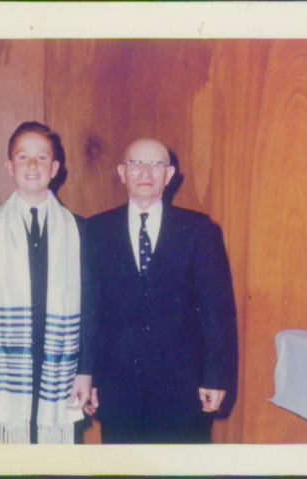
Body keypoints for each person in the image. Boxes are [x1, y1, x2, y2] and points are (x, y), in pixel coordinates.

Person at [86, 138, 237, 444]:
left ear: (169, 175)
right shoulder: (95, 230)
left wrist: (216, 376)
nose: (145, 172)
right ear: (122, 173)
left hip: (183, 386)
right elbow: (89, 312)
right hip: (118, 386)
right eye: (136, 164)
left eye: (155, 164)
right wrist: (88, 377)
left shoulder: (198, 230)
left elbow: (216, 311)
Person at [0, 121, 95, 444]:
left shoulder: (78, 229)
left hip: (61, 365)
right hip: (4, 368)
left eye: (42, 158)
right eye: (23, 157)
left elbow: (91, 307)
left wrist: (86, 370)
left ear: (55, 168)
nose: (33, 165)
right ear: (10, 167)